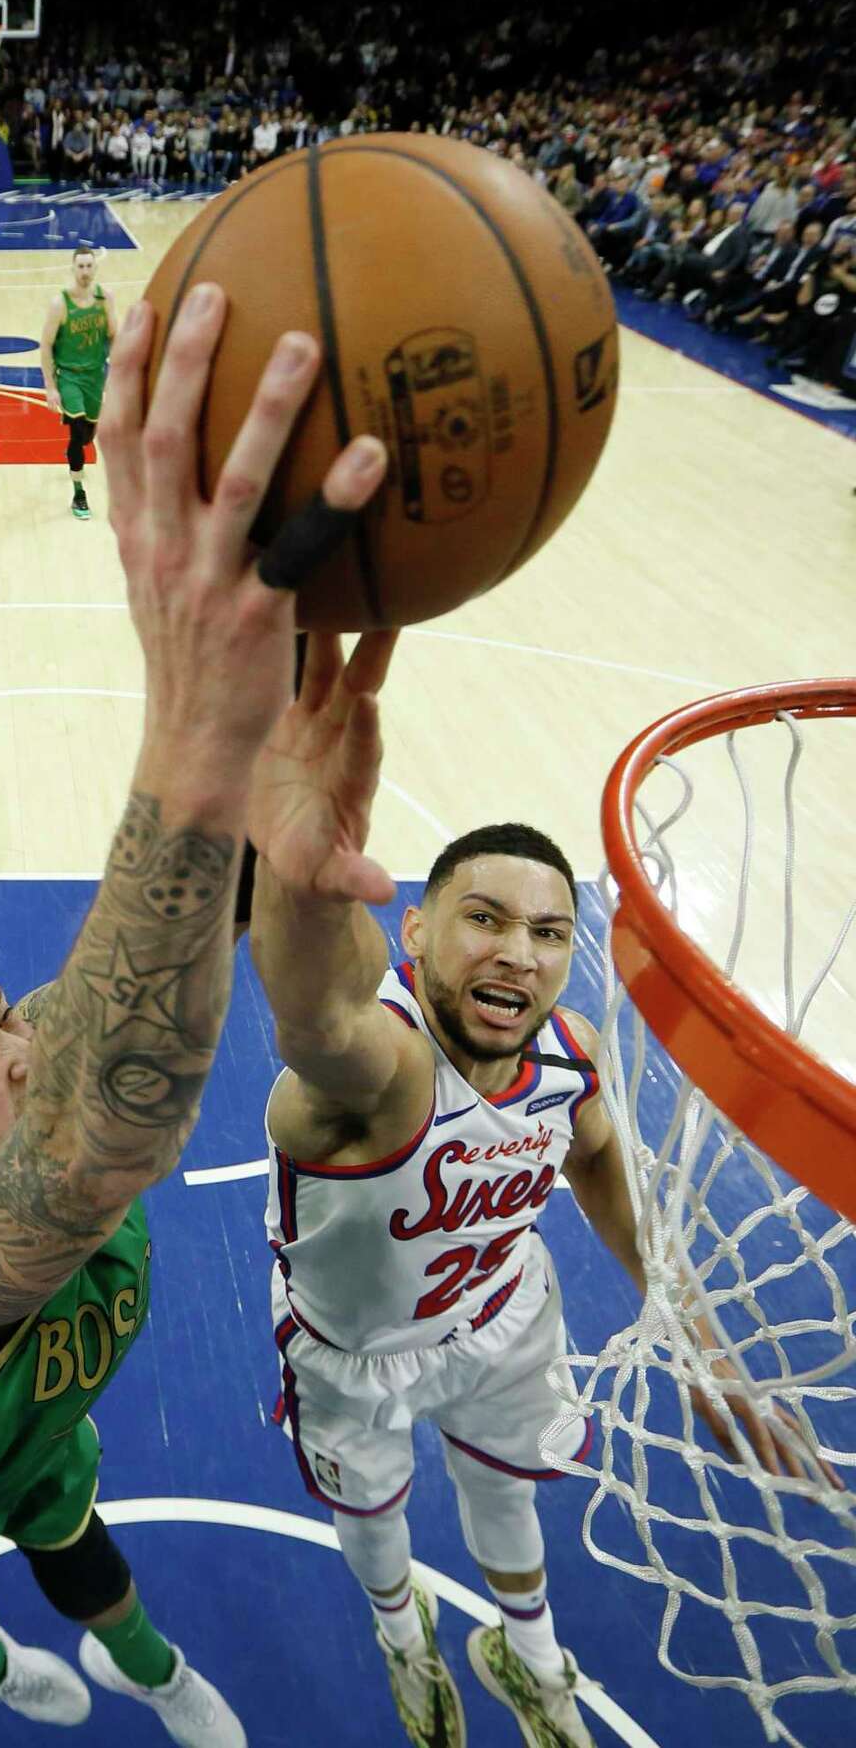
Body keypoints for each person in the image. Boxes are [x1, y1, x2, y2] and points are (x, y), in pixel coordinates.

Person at [0, 284, 389, 1740]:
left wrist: (260, 837)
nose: (23, 1049)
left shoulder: (31, 1062)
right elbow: (85, 1145)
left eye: (5, 1019)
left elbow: (130, 982)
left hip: (37, 1428)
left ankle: (149, 1659)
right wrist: (197, 730)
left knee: (79, 1535)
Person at [245, 635, 833, 1748]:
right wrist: (297, 848)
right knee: (374, 1522)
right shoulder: (378, 1072)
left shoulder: (565, 1052)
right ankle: (401, 1634)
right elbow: (317, 1007)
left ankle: (528, 1653)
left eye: (549, 931)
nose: (518, 950)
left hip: (505, 1313)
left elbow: (600, 1157)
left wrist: (691, 1332)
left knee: (506, 1493)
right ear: (414, 929)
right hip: (354, 1349)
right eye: (484, 917)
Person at [40, 248, 117, 520]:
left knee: (87, 437)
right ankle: (79, 492)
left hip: (96, 375)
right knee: (77, 429)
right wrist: (51, 387)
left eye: (89, 266)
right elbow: (46, 346)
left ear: (95, 268)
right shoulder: (60, 304)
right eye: (80, 266)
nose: (85, 271)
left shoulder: (105, 298)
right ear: (73, 269)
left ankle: (75, 451)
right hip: (69, 376)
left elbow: (113, 336)